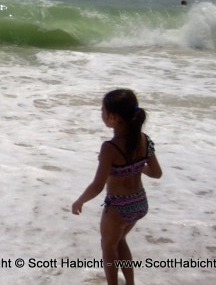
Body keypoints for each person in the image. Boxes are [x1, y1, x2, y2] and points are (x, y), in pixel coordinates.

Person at [71, 89, 162, 285]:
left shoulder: (110, 148)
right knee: (119, 241)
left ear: (113, 117)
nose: (101, 112)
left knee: (108, 247)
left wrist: (80, 201)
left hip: (118, 207)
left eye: (102, 109)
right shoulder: (144, 139)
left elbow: (97, 186)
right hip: (139, 203)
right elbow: (156, 173)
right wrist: (137, 165)